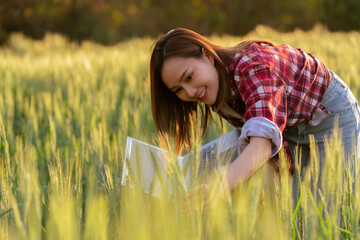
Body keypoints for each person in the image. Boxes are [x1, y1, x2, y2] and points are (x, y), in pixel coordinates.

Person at [149, 27, 360, 194]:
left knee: (333, 213)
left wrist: (219, 185)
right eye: (178, 89)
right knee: (298, 222)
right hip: (289, 128)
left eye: (189, 77)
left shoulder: (251, 67)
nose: (190, 92)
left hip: (330, 117)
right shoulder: (214, 89)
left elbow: (261, 144)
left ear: (207, 55)